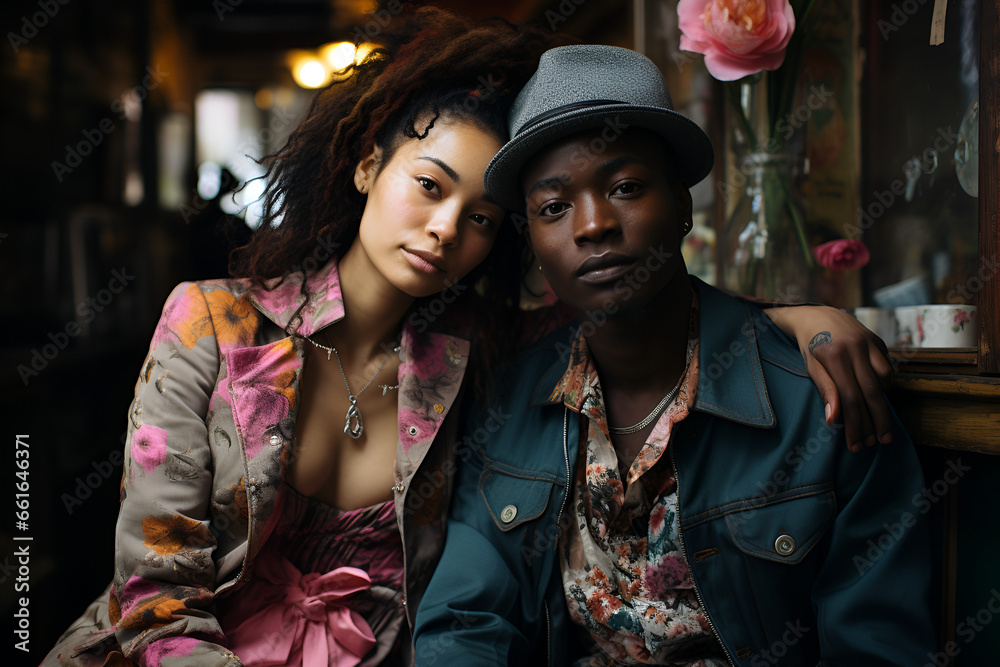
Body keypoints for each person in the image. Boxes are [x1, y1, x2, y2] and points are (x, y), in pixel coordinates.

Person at [42, 11, 899, 665]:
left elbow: (635, 289)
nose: (446, 228)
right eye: (428, 185)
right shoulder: (211, 322)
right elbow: (155, 597)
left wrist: (795, 314)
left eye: (482, 215)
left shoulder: (474, 354)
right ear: (368, 165)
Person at [413, 45, 935, 665]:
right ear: (532, 241)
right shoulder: (511, 403)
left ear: (684, 205)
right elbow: (468, 619)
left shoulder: (820, 398)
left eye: (626, 187)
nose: (592, 225)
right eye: (554, 208)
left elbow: (878, 648)